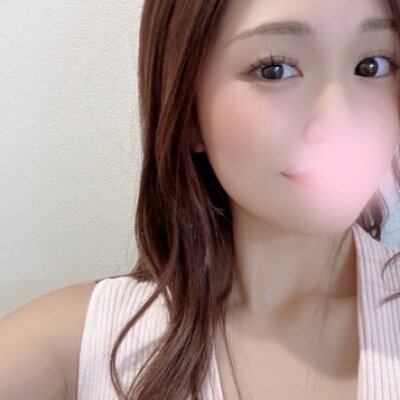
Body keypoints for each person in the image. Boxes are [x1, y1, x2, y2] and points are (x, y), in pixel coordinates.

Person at [2, 0, 400, 399]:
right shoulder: (76, 347)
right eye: (274, 69)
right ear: (187, 110)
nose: (342, 120)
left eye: (373, 65)